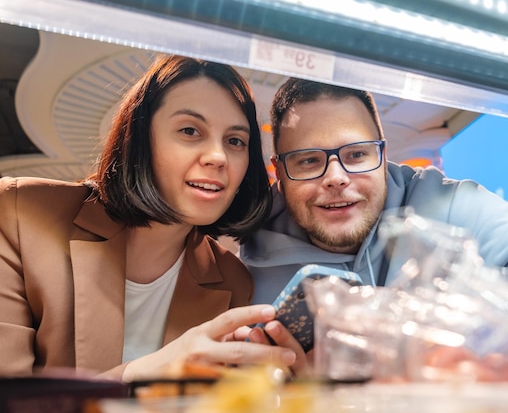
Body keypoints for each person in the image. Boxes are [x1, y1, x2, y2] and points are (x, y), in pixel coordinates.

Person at [0, 55, 301, 381]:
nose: (218, 157)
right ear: (140, 137)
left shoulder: (233, 279)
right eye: (189, 130)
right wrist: (145, 372)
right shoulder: (21, 213)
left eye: (235, 141)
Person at [240, 78, 508, 306]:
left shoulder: (449, 206)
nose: (336, 177)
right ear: (280, 173)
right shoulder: (245, 269)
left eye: (357, 154)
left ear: (383, 157)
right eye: (309, 161)